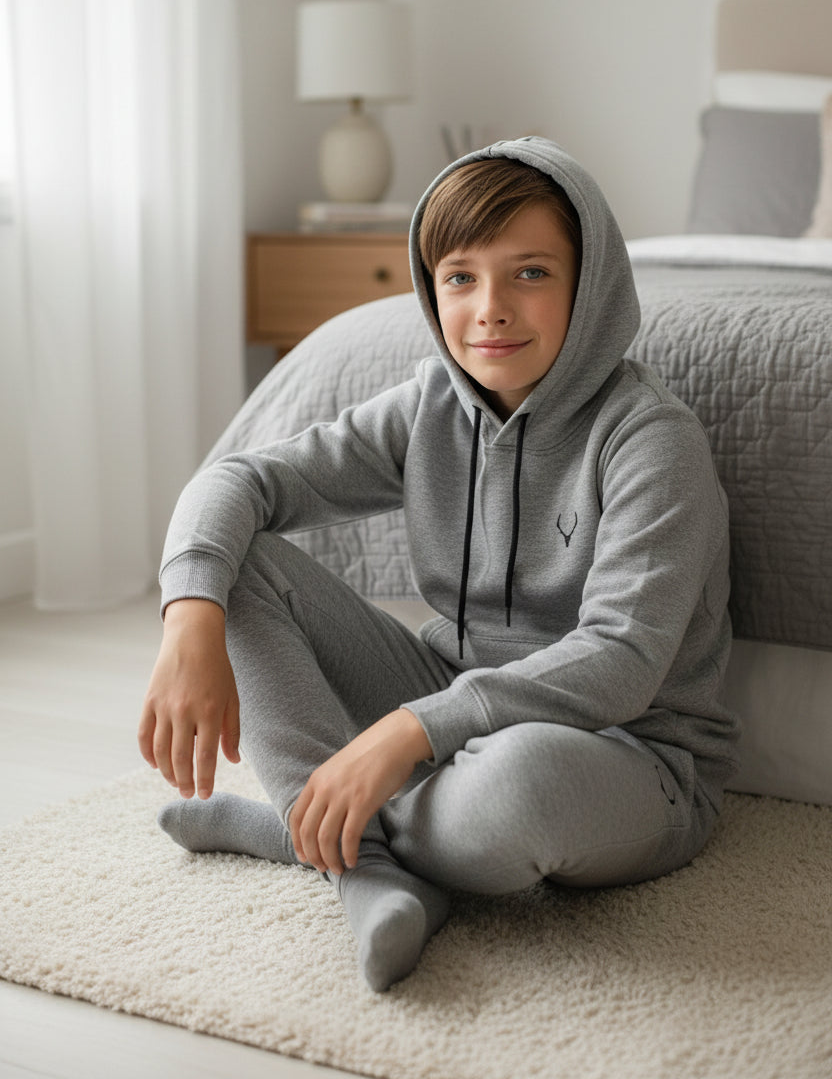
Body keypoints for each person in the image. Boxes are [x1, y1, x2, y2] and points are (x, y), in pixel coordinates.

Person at [138, 137, 740, 993]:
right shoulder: (432, 405)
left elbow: (622, 661)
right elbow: (240, 479)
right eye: (460, 277)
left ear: (590, 281)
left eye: (530, 273)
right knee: (238, 565)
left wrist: (403, 732)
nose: (489, 308)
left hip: (628, 754)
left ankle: (305, 820)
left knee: (512, 799)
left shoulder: (650, 439)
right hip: (446, 694)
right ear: (431, 290)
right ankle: (365, 866)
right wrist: (188, 616)